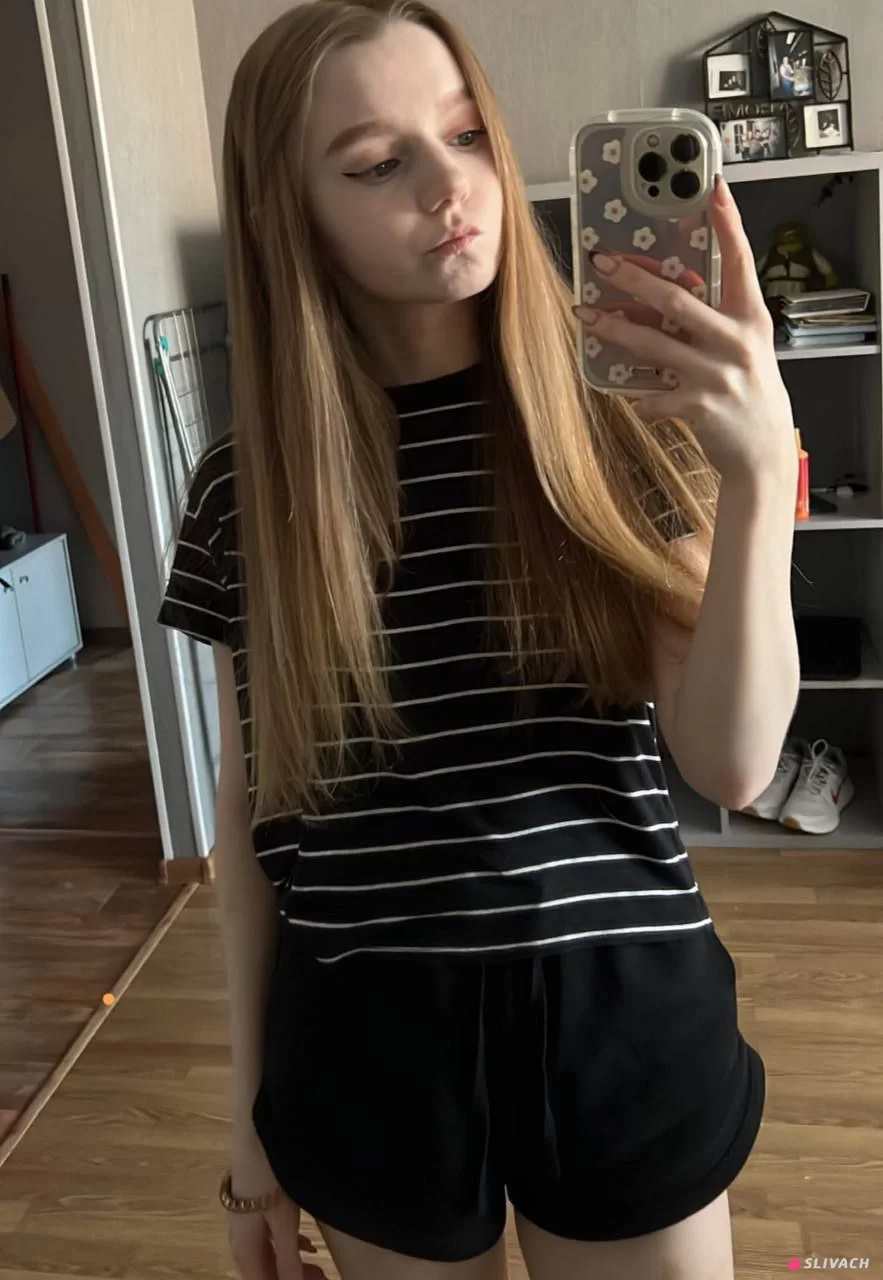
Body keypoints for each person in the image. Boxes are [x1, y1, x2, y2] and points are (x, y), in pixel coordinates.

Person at [158, 1, 800, 1276]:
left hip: (618, 1003)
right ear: (291, 214)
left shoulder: (619, 424)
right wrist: (247, 1130)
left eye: (465, 135)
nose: (451, 188)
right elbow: (258, 807)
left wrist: (751, 471)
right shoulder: (247, 492)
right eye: (376, 163)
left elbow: (733, 762)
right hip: (365, 1033)